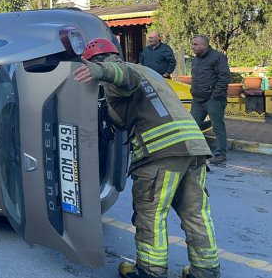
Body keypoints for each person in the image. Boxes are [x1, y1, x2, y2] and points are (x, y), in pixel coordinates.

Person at [72, 38, 219, 278]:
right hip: (193, 147)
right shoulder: (149, 71)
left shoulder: (118, 74)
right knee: (196, 214)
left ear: (94, 61)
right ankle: (205, 271)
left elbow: (123, 77)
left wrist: (99, 71)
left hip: (161, 153)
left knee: (150, 214)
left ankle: (150, 271)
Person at [190, 35, 230, 164]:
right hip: (198, 99)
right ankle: (195, 152)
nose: (193, 47)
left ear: (205, 45)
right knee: (192, 126)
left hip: (213, 99)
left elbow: (224, 77)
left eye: (195, 44)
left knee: (218, 127)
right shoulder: (196, 59)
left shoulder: (218, 57)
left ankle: (220, 154)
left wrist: (215, 95)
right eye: (193, 44)